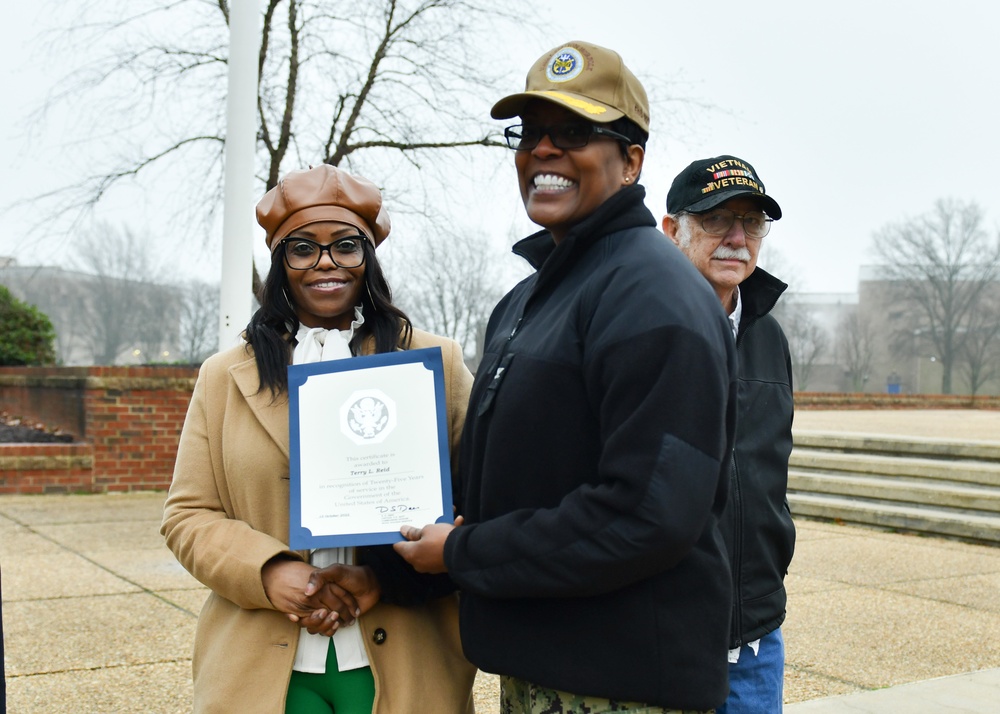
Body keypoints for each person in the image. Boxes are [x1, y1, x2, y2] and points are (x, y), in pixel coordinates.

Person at [394, 41, 739, 712]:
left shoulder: (654, 296)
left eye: (575, 132)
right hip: (542, 670)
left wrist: (464, 551)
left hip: (620, 686)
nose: (543, 151)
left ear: (632, 158)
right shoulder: (529, 301)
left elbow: (647, 513)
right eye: (529, 134)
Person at [161, 165, 476, 713]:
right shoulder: (223, 375)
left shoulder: (436, 363)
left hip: (404, 653)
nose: (325, 262)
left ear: (368, 257)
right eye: (302, 248)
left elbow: (480, 501)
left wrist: (385, 577)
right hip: (261, 663)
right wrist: (269, 571)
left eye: (345, 246)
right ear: (280, 263)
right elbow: (187, 514)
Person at [661, 155, 796, 714]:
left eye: (752, 222)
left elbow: (768, 473)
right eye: (717, 219)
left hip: (754, 633)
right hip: (661, 632)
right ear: (672, 231)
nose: (738, 238)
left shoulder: (771, 337)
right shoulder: (640, 324)